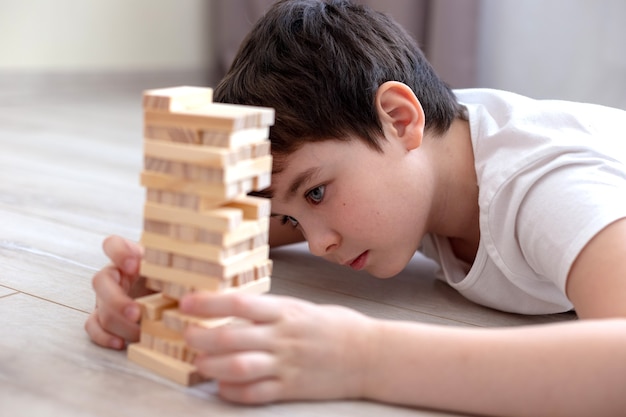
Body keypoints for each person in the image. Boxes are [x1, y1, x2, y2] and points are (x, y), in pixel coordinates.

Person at [84, 1, 626, 416]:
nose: (317, 244)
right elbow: (245, 223)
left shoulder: (547, 186)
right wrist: (165, 275)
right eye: (296, 217)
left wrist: (361, 357)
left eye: (316, 192)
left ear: (399, 117)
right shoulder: (417, 161)